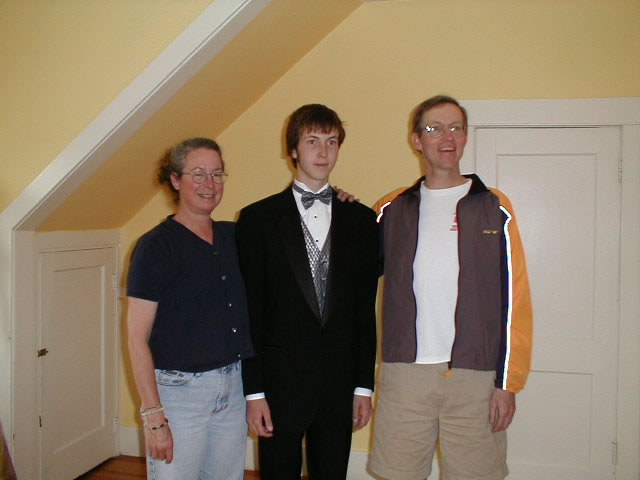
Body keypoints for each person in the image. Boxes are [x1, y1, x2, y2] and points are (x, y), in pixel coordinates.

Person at [369, 95, 533, 480]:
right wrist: (341, 207)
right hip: (405, 374)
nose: (447, 137)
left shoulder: (495, 207)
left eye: (456, 128)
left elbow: (515, 299)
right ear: (416, 139)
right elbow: (353, 277)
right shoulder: (390, 210)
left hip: (475, 378)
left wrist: (507, 384)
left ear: (465, 136)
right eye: (435, 129)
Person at [236, 104, 379, 480]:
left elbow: (364, 310)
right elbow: (250, 312)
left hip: (339, 384)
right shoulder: (257, 219)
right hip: (279, 385)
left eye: (331, 142)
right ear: (293, 149)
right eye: (312, 141)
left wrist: (364, 386)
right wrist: (254, 392)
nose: (323, 151)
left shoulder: (362, 220)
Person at [126, 137, 254, 480]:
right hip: (179, 395)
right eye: (198, 174)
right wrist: (153, 416)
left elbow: (287, 230)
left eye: (217, 174)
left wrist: (334, 198)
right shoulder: (155, 246)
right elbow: (137, 338)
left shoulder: (234, 236)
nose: (209, 184)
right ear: (175, 179)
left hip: (234, 388)